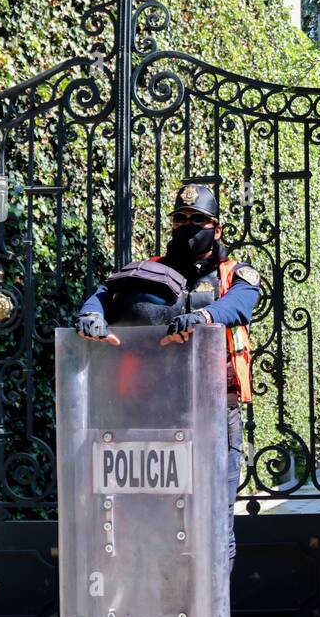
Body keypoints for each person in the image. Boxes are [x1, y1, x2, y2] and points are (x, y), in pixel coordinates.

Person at [77, 182, 261, 566]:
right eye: (180, 219)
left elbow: (240, 305)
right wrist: (90, 315)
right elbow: (103, 293)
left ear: (217, 228)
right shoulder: (150, 270)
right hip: (154, 412)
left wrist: (204, 315)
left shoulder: (235, 273)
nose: (188, 226)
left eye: (199, 220)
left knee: (214, 523)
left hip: (214, 416)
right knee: (155, 516)